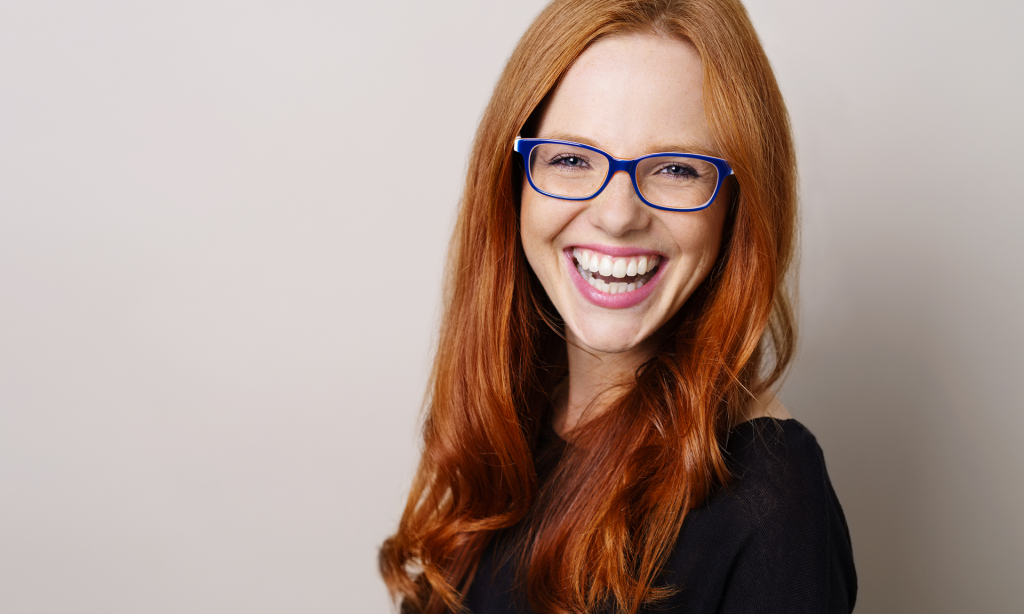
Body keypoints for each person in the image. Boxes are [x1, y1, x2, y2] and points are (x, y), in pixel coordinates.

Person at [380, 0, 857, 612]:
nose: (617, 214)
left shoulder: (771, 498)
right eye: (573, 159)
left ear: (737, 206)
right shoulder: (514, 419)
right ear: (515, 181)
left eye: (677, 168)